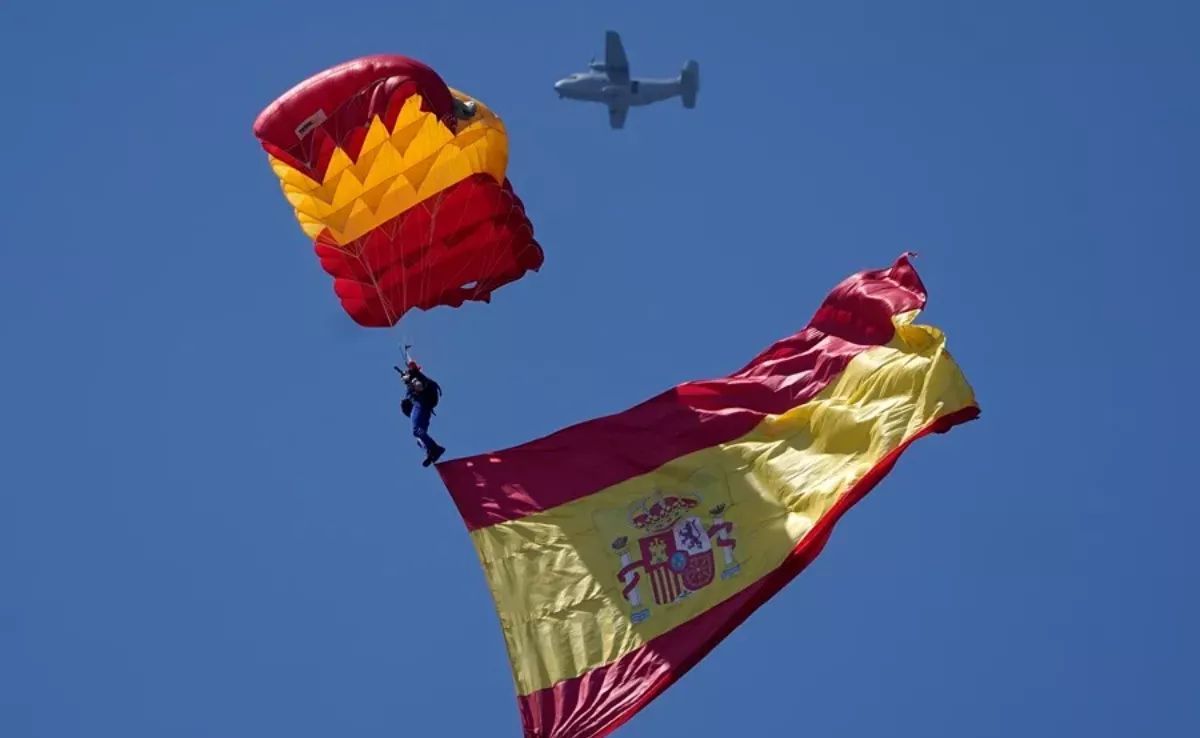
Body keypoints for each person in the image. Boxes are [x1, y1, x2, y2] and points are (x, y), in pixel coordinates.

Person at [395, 360, 445, 467]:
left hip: (420, 405)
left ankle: (434, 448)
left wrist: (409, 380)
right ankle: (431, 452)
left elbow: (419, 386)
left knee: (416, 430)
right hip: (426, 409)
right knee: (420, 437)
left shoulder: (416, 379)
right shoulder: (415, 380)